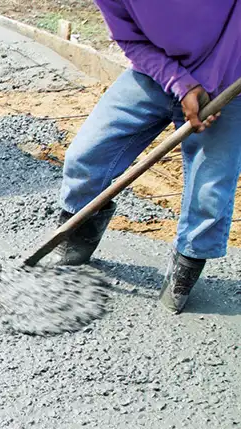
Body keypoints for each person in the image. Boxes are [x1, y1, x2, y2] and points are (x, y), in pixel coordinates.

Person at [55, 0, 241, 314]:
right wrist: (180, 82)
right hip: (157, 70)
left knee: (210, 192)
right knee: (86, 156)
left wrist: (214, 77)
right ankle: (78, 236)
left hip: (228, 75)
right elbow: (129, 38)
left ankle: (186, 265)